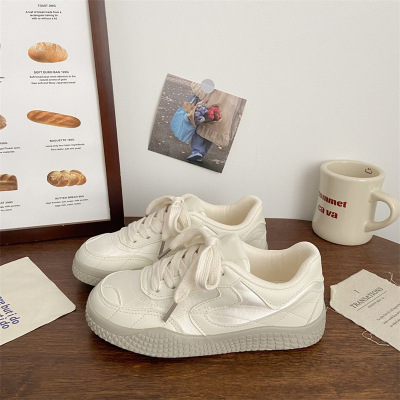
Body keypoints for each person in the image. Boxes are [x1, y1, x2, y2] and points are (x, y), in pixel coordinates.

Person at [187, 82, 243, 162]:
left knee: (204, 122)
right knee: (215, 127)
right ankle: (200, 152)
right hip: (229, 106)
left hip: (215, 98)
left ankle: (197, 150)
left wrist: (202, 90)